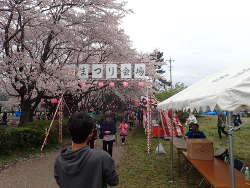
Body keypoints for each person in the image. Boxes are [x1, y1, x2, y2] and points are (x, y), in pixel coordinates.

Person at [54, 112, 119, 188]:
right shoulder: (103, 158)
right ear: (91, 134)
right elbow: (114, 181)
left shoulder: (59, 159)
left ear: (69, 131)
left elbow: (59, 181)